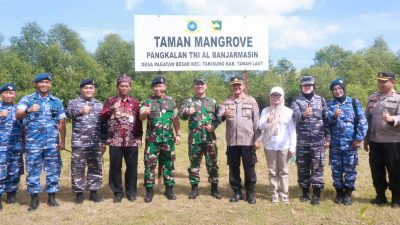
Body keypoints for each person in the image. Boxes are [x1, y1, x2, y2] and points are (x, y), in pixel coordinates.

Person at [16, 73, 66, 211]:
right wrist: (28, 110)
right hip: (33, 144)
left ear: (50, 84)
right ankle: (34, 200)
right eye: (41, 82)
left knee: (53, 171)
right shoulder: (28, 99)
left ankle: (52, 198)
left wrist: (62, 141)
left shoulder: (56, 101)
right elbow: (18, 114)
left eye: (46, 82)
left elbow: (62, 121)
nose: (44, 85)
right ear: (36, 84)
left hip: (52, 144)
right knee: (33, 172)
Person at [218, 76, 261, 204]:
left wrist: (257, 139)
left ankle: (250, 193)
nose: (236, 87)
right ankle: (237, 192)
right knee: (233, 168)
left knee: (249, 168)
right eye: (234, 85)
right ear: (232, 87)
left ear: (243, 86)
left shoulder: (251, 101)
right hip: (232, 142)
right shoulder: (227, 102)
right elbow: (219, 118)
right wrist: (224, 113)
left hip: (248, 141)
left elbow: (257, 122)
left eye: (238, 85)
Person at [100, 74, 142, 203]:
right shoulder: (111, 101)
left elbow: (139, 121)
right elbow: (102, 116)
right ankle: (118, 192)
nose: (124, 88)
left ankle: (131, 192)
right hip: (115, 139)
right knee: (115, 166)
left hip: (131, 139)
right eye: (121, 86)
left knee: (132, 167)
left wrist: (139, 137)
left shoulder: (135, 102)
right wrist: (111, 109)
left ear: (130, 87)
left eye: (126, 86)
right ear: (117, 87)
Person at [326, 78, 368, 205]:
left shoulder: (354, 103)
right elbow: (326, 123)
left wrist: (359, 138)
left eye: (339, 89)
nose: (337, 91)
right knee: (336, 170)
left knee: (350, 170)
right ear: (332, 92)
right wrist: (334, 116)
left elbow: (363, 121)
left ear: (344, 89)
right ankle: (339, 193)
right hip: (335, 145)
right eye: (334, 89)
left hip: (351, 144)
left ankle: (348, 194)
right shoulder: (329, 105)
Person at [140, 76, 181, 203]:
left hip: (168, 139)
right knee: (150, 165)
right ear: (153, 88)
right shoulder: (147, 101)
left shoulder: (171, 102)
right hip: (152, 140)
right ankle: (149, 191)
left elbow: (175, 119)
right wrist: (144, 113)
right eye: (156, 86)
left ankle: (169, 189)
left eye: (160, 86)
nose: (158, 88)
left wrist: (178, 133)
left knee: (169, 164)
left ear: (165, 87)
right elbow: (141, 117)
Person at [66, 79, 107, 204]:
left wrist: (104, 141)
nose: (89, 90)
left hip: (95, 142)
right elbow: (68, 114)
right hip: (79, 143)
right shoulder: (74, 103)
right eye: (86, 88)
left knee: (95, 167)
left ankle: (93, 192)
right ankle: (79, 193)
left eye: (91, 88)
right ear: (81, 89)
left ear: (94, 90)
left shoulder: (99, 105)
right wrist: (80, 111)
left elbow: (104, 125)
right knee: (77, 168)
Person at [179, 77, 221, 199]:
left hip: (209, 139)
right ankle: (194, 189)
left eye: (202, 84)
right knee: (194, 164)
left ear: (206, 86)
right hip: (194, 140)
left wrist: (213, 126)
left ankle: (214, 188)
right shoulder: (188, 101)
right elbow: (181, 116)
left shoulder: (212, 102)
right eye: (197, 85)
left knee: (212, 164)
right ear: (194, 87)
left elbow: (220, 117)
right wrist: (187, 112)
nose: (200, 86)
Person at [291, 75, 330, 205]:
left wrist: (327, 138)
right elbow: (293, 118)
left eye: (309, 85)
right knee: (302, 168)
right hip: (302, 142)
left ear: (313, 86)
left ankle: (317, 194)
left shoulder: (321, 100)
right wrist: (303, 114)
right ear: (301, 87)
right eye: (304, 86)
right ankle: (305, 192)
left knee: (318, 167)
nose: (307, 88)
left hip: (318, 142)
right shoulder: (296, 101)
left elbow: (326, 120)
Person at [364, 71, 400, 208]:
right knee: (376, 171)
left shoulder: (398, 98)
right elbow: (367, 119)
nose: (381, 83)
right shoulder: (372, 97)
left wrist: (393, 119)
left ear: (393, 82)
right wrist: (366, 139)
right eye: (379, 81)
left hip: (393, 142)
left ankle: (396, 198)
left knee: (395, 171)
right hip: (375, 142)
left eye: (384, 81)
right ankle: (380, 196)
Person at [258, 87, 296, 204]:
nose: (276, 98)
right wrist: (267, 121)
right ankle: (275, 194)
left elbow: (292, 130)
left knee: (284, 171)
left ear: (282, 97)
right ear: (270, 97)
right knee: (273, 171)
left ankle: (284, 195)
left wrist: (293, 146)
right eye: (273, 95)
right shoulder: (265, 111)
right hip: (270, 146)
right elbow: (260, 127)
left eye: (278, 95)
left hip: (284, 145)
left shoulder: (288, 111)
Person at [0, 83, 24, 209]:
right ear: (1, 94)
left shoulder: (19, 110)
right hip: (1, 147)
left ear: (15, 95)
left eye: (11, 93)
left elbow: (24, 128)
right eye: (5, 92)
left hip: (16, 146)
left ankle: (11, 195)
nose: (8, 95)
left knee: (14, 172)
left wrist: (24, 144)